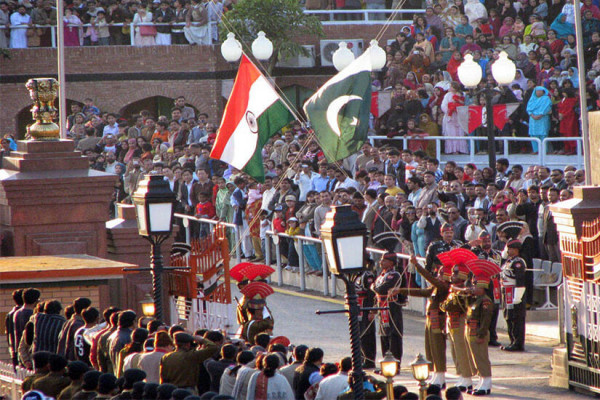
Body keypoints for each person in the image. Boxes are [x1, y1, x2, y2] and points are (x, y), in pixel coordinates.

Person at [397, 255, 449, 388]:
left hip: (438, 318)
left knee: (438, 347)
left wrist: (417, 266)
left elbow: (430, 279)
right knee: (430, 347)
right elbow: (422, 292)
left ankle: (440, 375)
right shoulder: (436, 287)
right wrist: (401, 290)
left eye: (441, 274)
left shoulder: (444, 287)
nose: (438, 275)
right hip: (430, 318)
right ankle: (436, 373)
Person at [370, 252, 405, 364]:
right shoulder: (381, 275)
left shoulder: (394, 275)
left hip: (392, 308)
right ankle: (386, 364)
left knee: (394, 335)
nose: (381, 262)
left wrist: (375, 287)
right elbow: (376, 291)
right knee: (383, 335)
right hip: (382, 307)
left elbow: (381, 289)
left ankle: (396, 364)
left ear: (391, 263)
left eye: (384, 260)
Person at [500, 240, 527, 352]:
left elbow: (520, 280)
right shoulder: (508, 261)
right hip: (506, 292)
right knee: (509, 317)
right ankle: (512, 340)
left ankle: (518, 343)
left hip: (514, 292)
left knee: (516, 318)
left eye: (510, 249)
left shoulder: (518, 262)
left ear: (516, 250)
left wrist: (518, 297)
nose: (508, 251)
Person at [526, 86, 552, 154]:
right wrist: (532, 115)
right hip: (533, 119)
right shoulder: (532, 99)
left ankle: (544, 150)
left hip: (542, 118)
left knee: (543, 134)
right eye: (537, 91)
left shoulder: (546, 99)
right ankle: (535, 150)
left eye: (540, 91)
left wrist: (540, 115)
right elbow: (528, 108)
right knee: (533, 134)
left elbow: (547, 108)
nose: (538, 92)